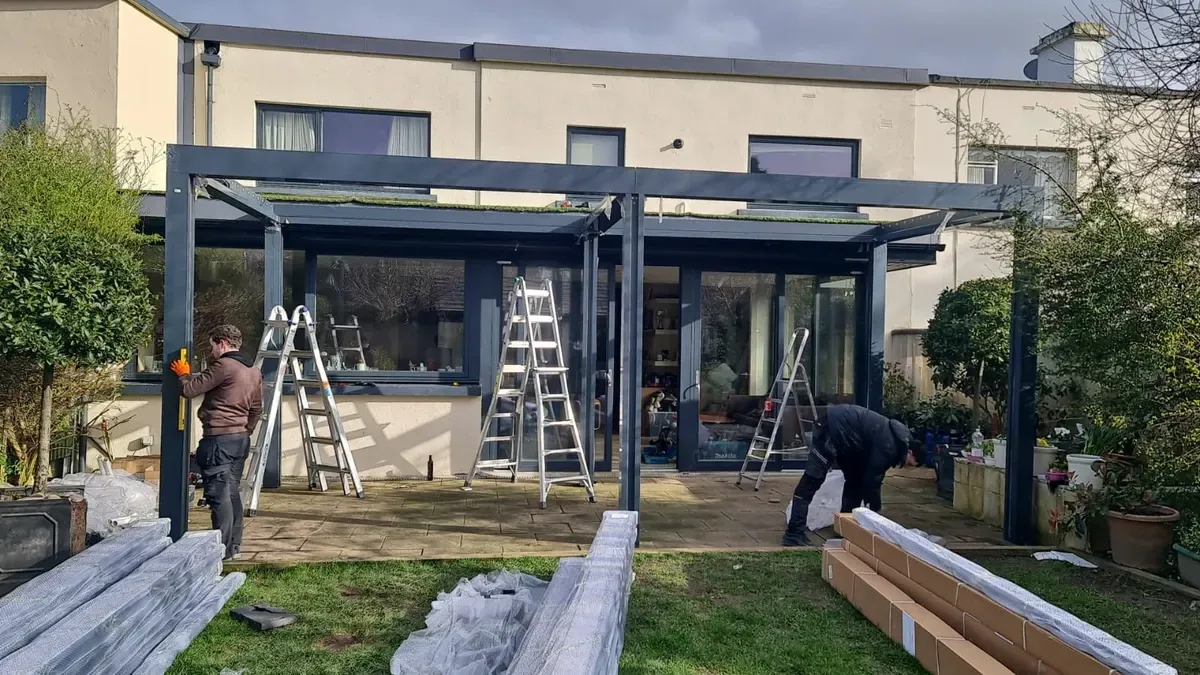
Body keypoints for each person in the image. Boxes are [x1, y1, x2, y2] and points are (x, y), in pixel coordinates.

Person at [170, 324, 263, 561]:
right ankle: (234, 547)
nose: (211, 352)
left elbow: (190, 390)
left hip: (218, 440)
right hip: (239, 440)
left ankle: (219, 551)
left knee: (218, 496)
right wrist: (244, 431)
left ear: (222, 343)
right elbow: (256, 409)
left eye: (212, 346)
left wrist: (182, 373)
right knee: (232, 492)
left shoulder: (223, 366)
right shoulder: (253, 371)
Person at [782, 403, 914, 547]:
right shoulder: (890, 446)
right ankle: (793, 533)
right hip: (830, 429)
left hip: (846, 437)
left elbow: (868, 477)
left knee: (855, 481)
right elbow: (872, 480)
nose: (910, 466)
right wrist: (875, 510)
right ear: (910, 452)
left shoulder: (893, 439)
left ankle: (844, 528)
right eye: (913, 463)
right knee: (811, 481)